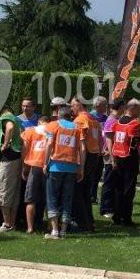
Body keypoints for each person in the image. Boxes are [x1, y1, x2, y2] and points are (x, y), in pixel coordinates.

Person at [43, 105, 86, 239]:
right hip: (72, 167)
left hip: (56, 166)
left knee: (52, 197)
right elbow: (83, 149)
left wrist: (45, 163)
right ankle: (64, 230)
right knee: (67, 198)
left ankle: (55, 230)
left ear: (59, 115)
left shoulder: (53, 125)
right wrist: (81, 167)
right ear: (71, 116)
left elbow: (49, 144)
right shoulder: (77, 128)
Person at [110, 98, 140, 226]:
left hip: (118, 156)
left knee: (118, 188)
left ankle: (116, 216)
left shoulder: (117, 122)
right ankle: (126, 218)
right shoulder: (134, 124)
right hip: (129, 158)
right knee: (128, 189)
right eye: (139, 109)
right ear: (133, 108)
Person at [71, 96, 101, 232]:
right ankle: (89, 221)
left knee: (77, 190)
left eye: (73, 105)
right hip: (94, 155)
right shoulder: (93, 118)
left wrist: (80, 167)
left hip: (86, 156)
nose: (72, 108)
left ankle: (81, 222)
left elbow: (81, 143)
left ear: (80, 105)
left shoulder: (80, 120)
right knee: (85, 191)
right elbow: (100, 138)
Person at [0, 107, 24, 232]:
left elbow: (9, 127)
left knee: (3, 189)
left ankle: (6, 224)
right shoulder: (18, 120)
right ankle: (11, 223)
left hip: (8, 158)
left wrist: (5, 145)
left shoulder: (7, 117)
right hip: (17, 157)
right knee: (14, 192)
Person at [21, 115, 49, 234]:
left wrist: (24, 166)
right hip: (48, 167)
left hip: (34, 165)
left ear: (39, 122)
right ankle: (50, 227)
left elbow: (25, 149)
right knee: (49, 198)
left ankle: (30, 227)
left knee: (30, 198)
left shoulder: (31, 131)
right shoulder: (52, 130)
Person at [99, 99, 124, 218]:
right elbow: (108, 140)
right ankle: (106, 208)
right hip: (110, 156)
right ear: (121, 107)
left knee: (112, 182)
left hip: (113, 154)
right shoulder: (112, 121)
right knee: (108, 182)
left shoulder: (115, 120)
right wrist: (112, 157)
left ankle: (112, 206)